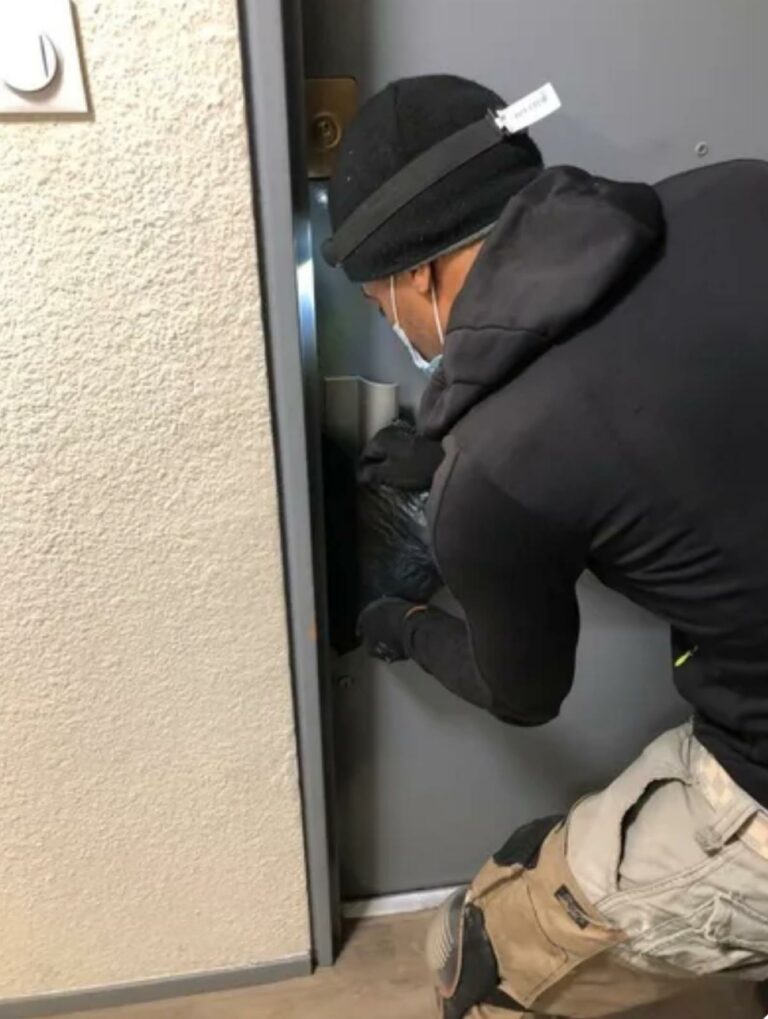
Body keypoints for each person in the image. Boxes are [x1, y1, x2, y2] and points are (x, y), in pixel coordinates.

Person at [322, 73, 768, 1018]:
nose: (391, 324)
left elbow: (523, 694)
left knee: (482, 950)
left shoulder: (495, 475)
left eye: (378, 303)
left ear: (417, 277)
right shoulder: (736, 192)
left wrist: (401, 623)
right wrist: (456, 443)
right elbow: (648, 399)